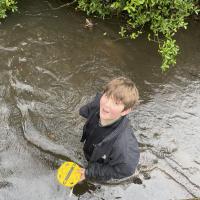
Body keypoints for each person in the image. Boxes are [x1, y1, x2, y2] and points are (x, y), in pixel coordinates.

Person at [78, 77, 140, 182]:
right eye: (107, 96)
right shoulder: (99, 104)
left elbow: (127, 169)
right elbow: (84, 111)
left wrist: (88, 173)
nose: (106, 105)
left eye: (116, 103)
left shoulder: (122, 144)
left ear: (125, 111)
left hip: (104, 162)